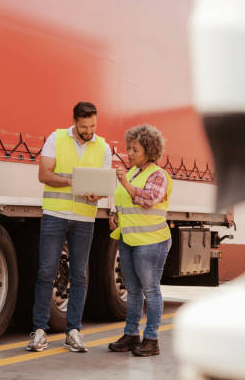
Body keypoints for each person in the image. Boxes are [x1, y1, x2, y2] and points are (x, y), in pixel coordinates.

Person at [27, 101, 112, 353]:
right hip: (55, 214)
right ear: (75, 122)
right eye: (85, 126)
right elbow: (44, 174)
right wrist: (73, 182)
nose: (89, 131)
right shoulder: (57, 138)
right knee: (46, 272)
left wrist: (99, 194)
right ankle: (39, 331)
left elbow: (104, 183)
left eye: (93, 125)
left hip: (85, 218)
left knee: (80, 276)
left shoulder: (103, 146)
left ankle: (73, 331)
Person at [107, 124, 173, 357]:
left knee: (150, 290)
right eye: (128, 149)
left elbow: (148, 200)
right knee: (133, 291)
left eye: (135, 149)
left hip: (151, 242)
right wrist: (115, 215)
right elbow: (126, 202)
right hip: (129, 239)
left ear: (149, 150)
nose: (129, 153)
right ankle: (131, 334)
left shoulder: (158, 175)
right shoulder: (134, 173)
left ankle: (152, 339)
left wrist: (125, 183)